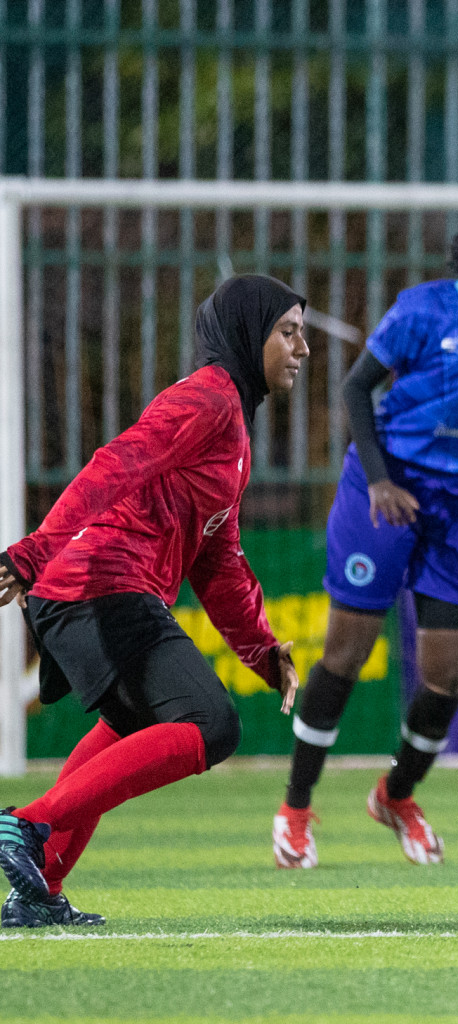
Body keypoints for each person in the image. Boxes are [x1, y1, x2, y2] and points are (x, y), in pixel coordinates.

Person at [0, 275, 307, 927]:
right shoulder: (209, 398)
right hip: (100, 580)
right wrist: (36, 549)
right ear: (250, 335)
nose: (302, 346)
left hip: (85, 589)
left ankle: (38, 891)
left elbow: (218, 561)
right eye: (288, 331)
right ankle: (24, 826)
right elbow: (119, 462)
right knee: (212, 725)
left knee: (131, 726)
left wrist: (260, 649)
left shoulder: (234, 430)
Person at [273, 190, 458, 869]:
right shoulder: (424, 308)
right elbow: (354, 390)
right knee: (345, 654)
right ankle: (295, 807)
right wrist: (378, 481)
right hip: (386, 488)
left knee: (446, 677)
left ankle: (396, 796)